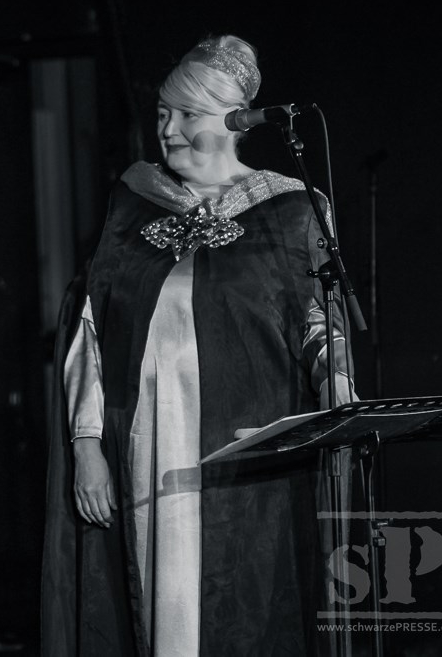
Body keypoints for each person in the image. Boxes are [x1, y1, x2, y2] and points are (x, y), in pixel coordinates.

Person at [41, 35, 357, 655]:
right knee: (154, 598)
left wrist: (337, 382)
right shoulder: (134, 201)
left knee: (243, 607)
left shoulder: (293, 210)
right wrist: (86, 443)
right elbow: (90, 325)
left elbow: (319, 324)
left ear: (235, 121)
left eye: (188, 114)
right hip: (145, 444)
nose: (168, 130)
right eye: (163, 113)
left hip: (249, 457)